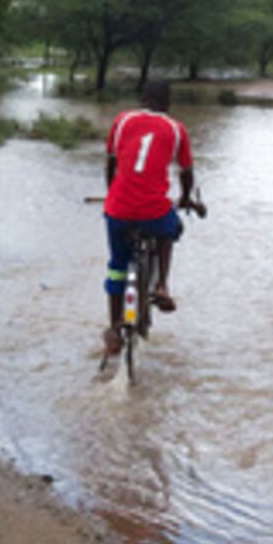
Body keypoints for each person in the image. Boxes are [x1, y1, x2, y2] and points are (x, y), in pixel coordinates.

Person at [101, 79, 196, 357]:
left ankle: (114, 327)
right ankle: (161, 284)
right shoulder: (177, 130)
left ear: (142, 98)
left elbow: (111, 163)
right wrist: (187, 196)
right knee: (170, 229)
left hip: (118, 209)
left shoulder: (122, 121)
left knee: (117, 266)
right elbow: (186, 173)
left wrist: (111, 197)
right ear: (168, 102)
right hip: (154, 211)